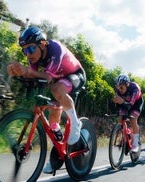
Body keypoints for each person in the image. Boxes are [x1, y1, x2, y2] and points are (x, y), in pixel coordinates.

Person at [7, 26, 86, 174]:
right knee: (52, 118)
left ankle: (76, 123)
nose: (27, 54)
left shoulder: (55, 48)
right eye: (24, 51)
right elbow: (34, 76)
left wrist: (27, 71)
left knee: (56, 89)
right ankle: (59, 148)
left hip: (75, 75)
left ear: (42, 44)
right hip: (59, 81)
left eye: (30, 49)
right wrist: (17, 72)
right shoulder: (34, 58)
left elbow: (47, 78)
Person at [113, 74, 144, 153]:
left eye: (121, 87)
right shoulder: (118, 91)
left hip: (136, 104)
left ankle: (135, 144)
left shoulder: (135, 88)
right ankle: (125, 136)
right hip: (125, 104)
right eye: (118, 87)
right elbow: (118, 105)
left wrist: (122, 101)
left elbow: (130, 105)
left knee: (132, 119)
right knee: (120, 119)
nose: (119, 89)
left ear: (127, 84)